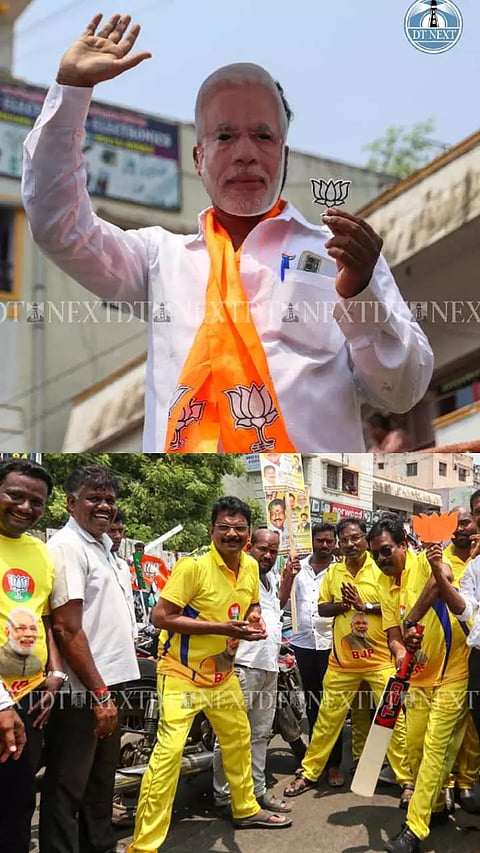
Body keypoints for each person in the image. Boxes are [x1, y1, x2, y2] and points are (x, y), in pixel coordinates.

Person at [22, 12, 434, 453]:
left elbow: (402, 390)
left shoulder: (343, 255)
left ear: (284, 155)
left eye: (262, 135)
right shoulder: (160, 258)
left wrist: (360, 295)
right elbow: (58, 225)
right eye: (224, 136)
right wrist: (70, 91)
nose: (244, 154)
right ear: (198, 158)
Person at [129, 496, 291, 853]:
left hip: (222, 675)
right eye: (224, 527)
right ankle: (144, 845)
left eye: (239, 528)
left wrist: (253, 620)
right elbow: (160, 617)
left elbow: (249, 603)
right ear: (212, 530)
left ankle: (246, 807)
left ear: (248, 533)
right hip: (181, 674)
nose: (231, 534)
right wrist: (223, 627)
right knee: (168, 754)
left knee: (238, 739)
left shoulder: (249, 566)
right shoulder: (193, 568)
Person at [40, 464, 140, 853]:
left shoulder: (102, 547)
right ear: (70, 503)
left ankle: (100, 847)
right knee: (67, 788)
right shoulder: (67, 546)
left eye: (109, 500)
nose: (104, 507)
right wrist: (98, 693)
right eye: (93, 498)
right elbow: (66, 628)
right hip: (84, 691)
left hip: (109, 684)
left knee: (100, 784)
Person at [283, 518, 412, 803]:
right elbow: (322, 608)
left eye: (356, 538)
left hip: (381, 661)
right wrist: (344, 605)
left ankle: (407, 780)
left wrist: (363, 606)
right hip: (342, 663)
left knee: (392, 721)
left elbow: (396, 605)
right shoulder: (334, 571)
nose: (350, 544)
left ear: (365, 539)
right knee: (327, 721)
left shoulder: (382, 568)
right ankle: (309, 772)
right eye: (345, 540)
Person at [369, 515, 471, 853]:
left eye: (386, 551)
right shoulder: (384, 586)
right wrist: (400, 651)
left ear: (403, 545)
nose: (382, 560)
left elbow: (441, 580)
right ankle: (437, 808)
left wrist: (411, 618)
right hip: (417, 679)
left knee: (434, 751)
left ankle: (414, 829)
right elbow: (393, 637)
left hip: (452, 673)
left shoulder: (426, 560)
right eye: (376, 555)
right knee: (414, 749)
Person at [0, 458, 65, 853]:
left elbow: (44, 618)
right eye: (15, 495)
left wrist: (54, 674)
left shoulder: (41, 553)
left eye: (36, 501)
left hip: (29, 701)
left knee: (18, 804)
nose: (26, 507)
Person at [213, 526, 294, 814]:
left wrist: (287, 581)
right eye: (264, 549)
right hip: (242, 665)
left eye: (274, 550)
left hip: (268, 665)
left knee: (259, 734)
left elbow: (275, 612)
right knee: (232, 735)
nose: (269, 555)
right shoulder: (239, 574)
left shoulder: (270, 578)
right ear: (250, 546)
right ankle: (225, 797)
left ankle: (256, 791)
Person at [279, 522, 345, 787]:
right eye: (321, 540)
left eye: (330, 541)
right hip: (304, 644)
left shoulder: (341, 570)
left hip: (333, 643)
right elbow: (280, 602)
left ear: (335, 542)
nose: (325, 545)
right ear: (313, 541)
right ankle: (315, 762)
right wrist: (288, 576)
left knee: (334, 706)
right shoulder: (297, 568)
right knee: (313, 704)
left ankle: (334, 764)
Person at [441, 508, 480, 814]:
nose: (461, 528)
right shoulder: (441, 561)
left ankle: (467, 780)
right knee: (450, 723)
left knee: (472, 725)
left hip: (474, 654)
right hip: (448, 655)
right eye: (455, 524)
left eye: (465, 522)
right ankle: (448, 783)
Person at [109, 510, 139, 641]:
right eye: (112, 531)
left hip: (125, 640)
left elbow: (128, 602)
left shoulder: (122, 566)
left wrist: (134, 633)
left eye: (120, 531)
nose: (117, 536)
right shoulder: (94, 563)